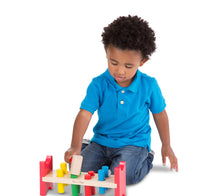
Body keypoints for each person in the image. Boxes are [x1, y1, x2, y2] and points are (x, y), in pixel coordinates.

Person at [64, 15, 178, 185]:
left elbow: (160, 115)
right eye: (114, 62)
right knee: (79, 173)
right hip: (102, 141)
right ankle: (90, 148)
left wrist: (166, 145)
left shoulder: (149, 85)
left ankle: (146, 157)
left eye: (128, 66)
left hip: (134, 143)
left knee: (125, 177)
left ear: (142, 61)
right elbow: (85, 114)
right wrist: (75, 146)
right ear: (106, 53)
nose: (120, 71)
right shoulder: (98, 84)